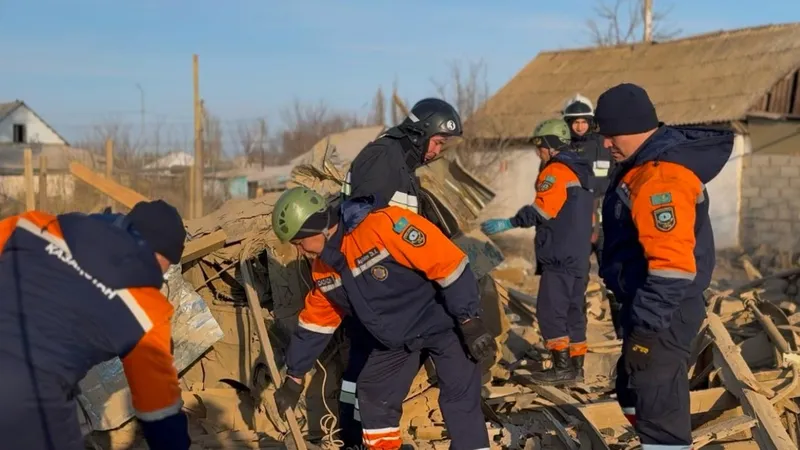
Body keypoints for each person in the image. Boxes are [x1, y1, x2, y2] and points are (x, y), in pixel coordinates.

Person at [271, 187, 495, 450]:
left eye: (299, 243)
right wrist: (294, 377)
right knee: (374, 396)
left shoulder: (383, 226)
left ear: (318, 229)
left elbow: (449, 265)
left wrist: (470, 321)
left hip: (444, 325)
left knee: (459, 402)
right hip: (395, 340)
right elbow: (315, 324)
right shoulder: (323, 271)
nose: (300, 251)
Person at [594, 83, 733, 450]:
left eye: (611, 135)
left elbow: (672, 268)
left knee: (659, 407)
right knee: (633, 387)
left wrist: (648, 329)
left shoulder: (660, 178)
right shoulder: (641, 168)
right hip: (648, 303)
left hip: (664, 310)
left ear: (634, 126)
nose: (606, 144)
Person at [0, 200, 190, 450]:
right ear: (160, 256)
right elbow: (159, 411)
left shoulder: (35, 225)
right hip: (27, 403)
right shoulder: (146, 310)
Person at [336, 97, 463, 445]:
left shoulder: (399, 162)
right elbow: (370, 228)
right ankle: (356, 437)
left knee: (364, 369)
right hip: (375, 285)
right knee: (367, 370)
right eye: (437, 142)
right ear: (420, 133)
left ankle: (354, 436)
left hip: (383, 285)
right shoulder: (382, 159)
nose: (438, 151)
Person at [480, 119, 594, 386]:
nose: (538, 152)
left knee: (550, 311)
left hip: (559, 255)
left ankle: (561, 369)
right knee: (574, 312)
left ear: (551, 146)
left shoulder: (555, 172)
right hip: (578, 256)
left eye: (540, 146)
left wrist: (509, 222)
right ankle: (576, 368)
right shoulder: (581, 172)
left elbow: (543, 210)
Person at [562, 94, 622, 337]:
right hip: (575, 225)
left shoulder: (604, 145)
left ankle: (623, 333)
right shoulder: (562, 149)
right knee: (575, 280)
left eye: (583, 121)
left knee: (614, 276)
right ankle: (576, 337)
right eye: (574, 122)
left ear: (591, 121)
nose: (579, 126)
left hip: (605, 222)